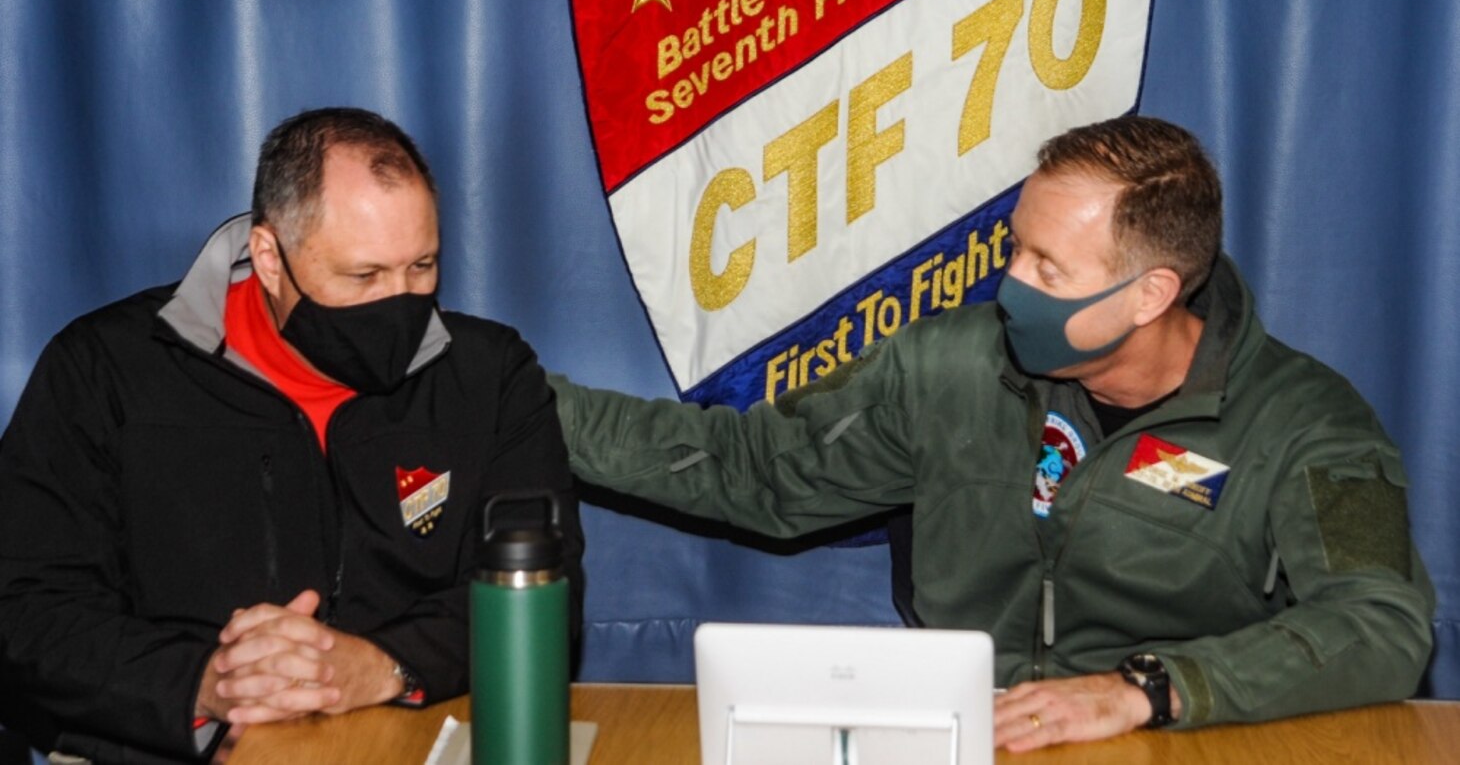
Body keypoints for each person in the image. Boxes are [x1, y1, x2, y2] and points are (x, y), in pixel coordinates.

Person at [552, 115, 1433, 752]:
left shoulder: (1305, 422)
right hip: (970, 737)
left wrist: (1154, 691)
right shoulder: (948, 366)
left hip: (1179, 738)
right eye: (1015, 248)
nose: (1011, 285)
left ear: (1151, 294)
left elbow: (1381, 625)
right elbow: (754, 472)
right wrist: (517, 399)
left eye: (1049, 267)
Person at [0, 108, 583, 764]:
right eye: (363, 276)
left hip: (411, 737)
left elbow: (547, 596)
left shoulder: (488, 375)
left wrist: (382, 665)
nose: (402, 301)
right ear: (270, 257)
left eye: (422, 266)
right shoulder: (104, 371)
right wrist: (205, 685)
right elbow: (25, 612)